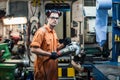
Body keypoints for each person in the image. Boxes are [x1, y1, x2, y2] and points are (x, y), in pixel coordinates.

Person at [30, 10, 71, 80]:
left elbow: (56, 48)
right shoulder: (41, 31)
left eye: (57, 18)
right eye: (52, 18)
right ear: (48, 19)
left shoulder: (54, 32)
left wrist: (64, 44)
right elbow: (33, 49)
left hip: (52, 69)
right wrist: (50, 54)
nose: (55, 20)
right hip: (43, 69)